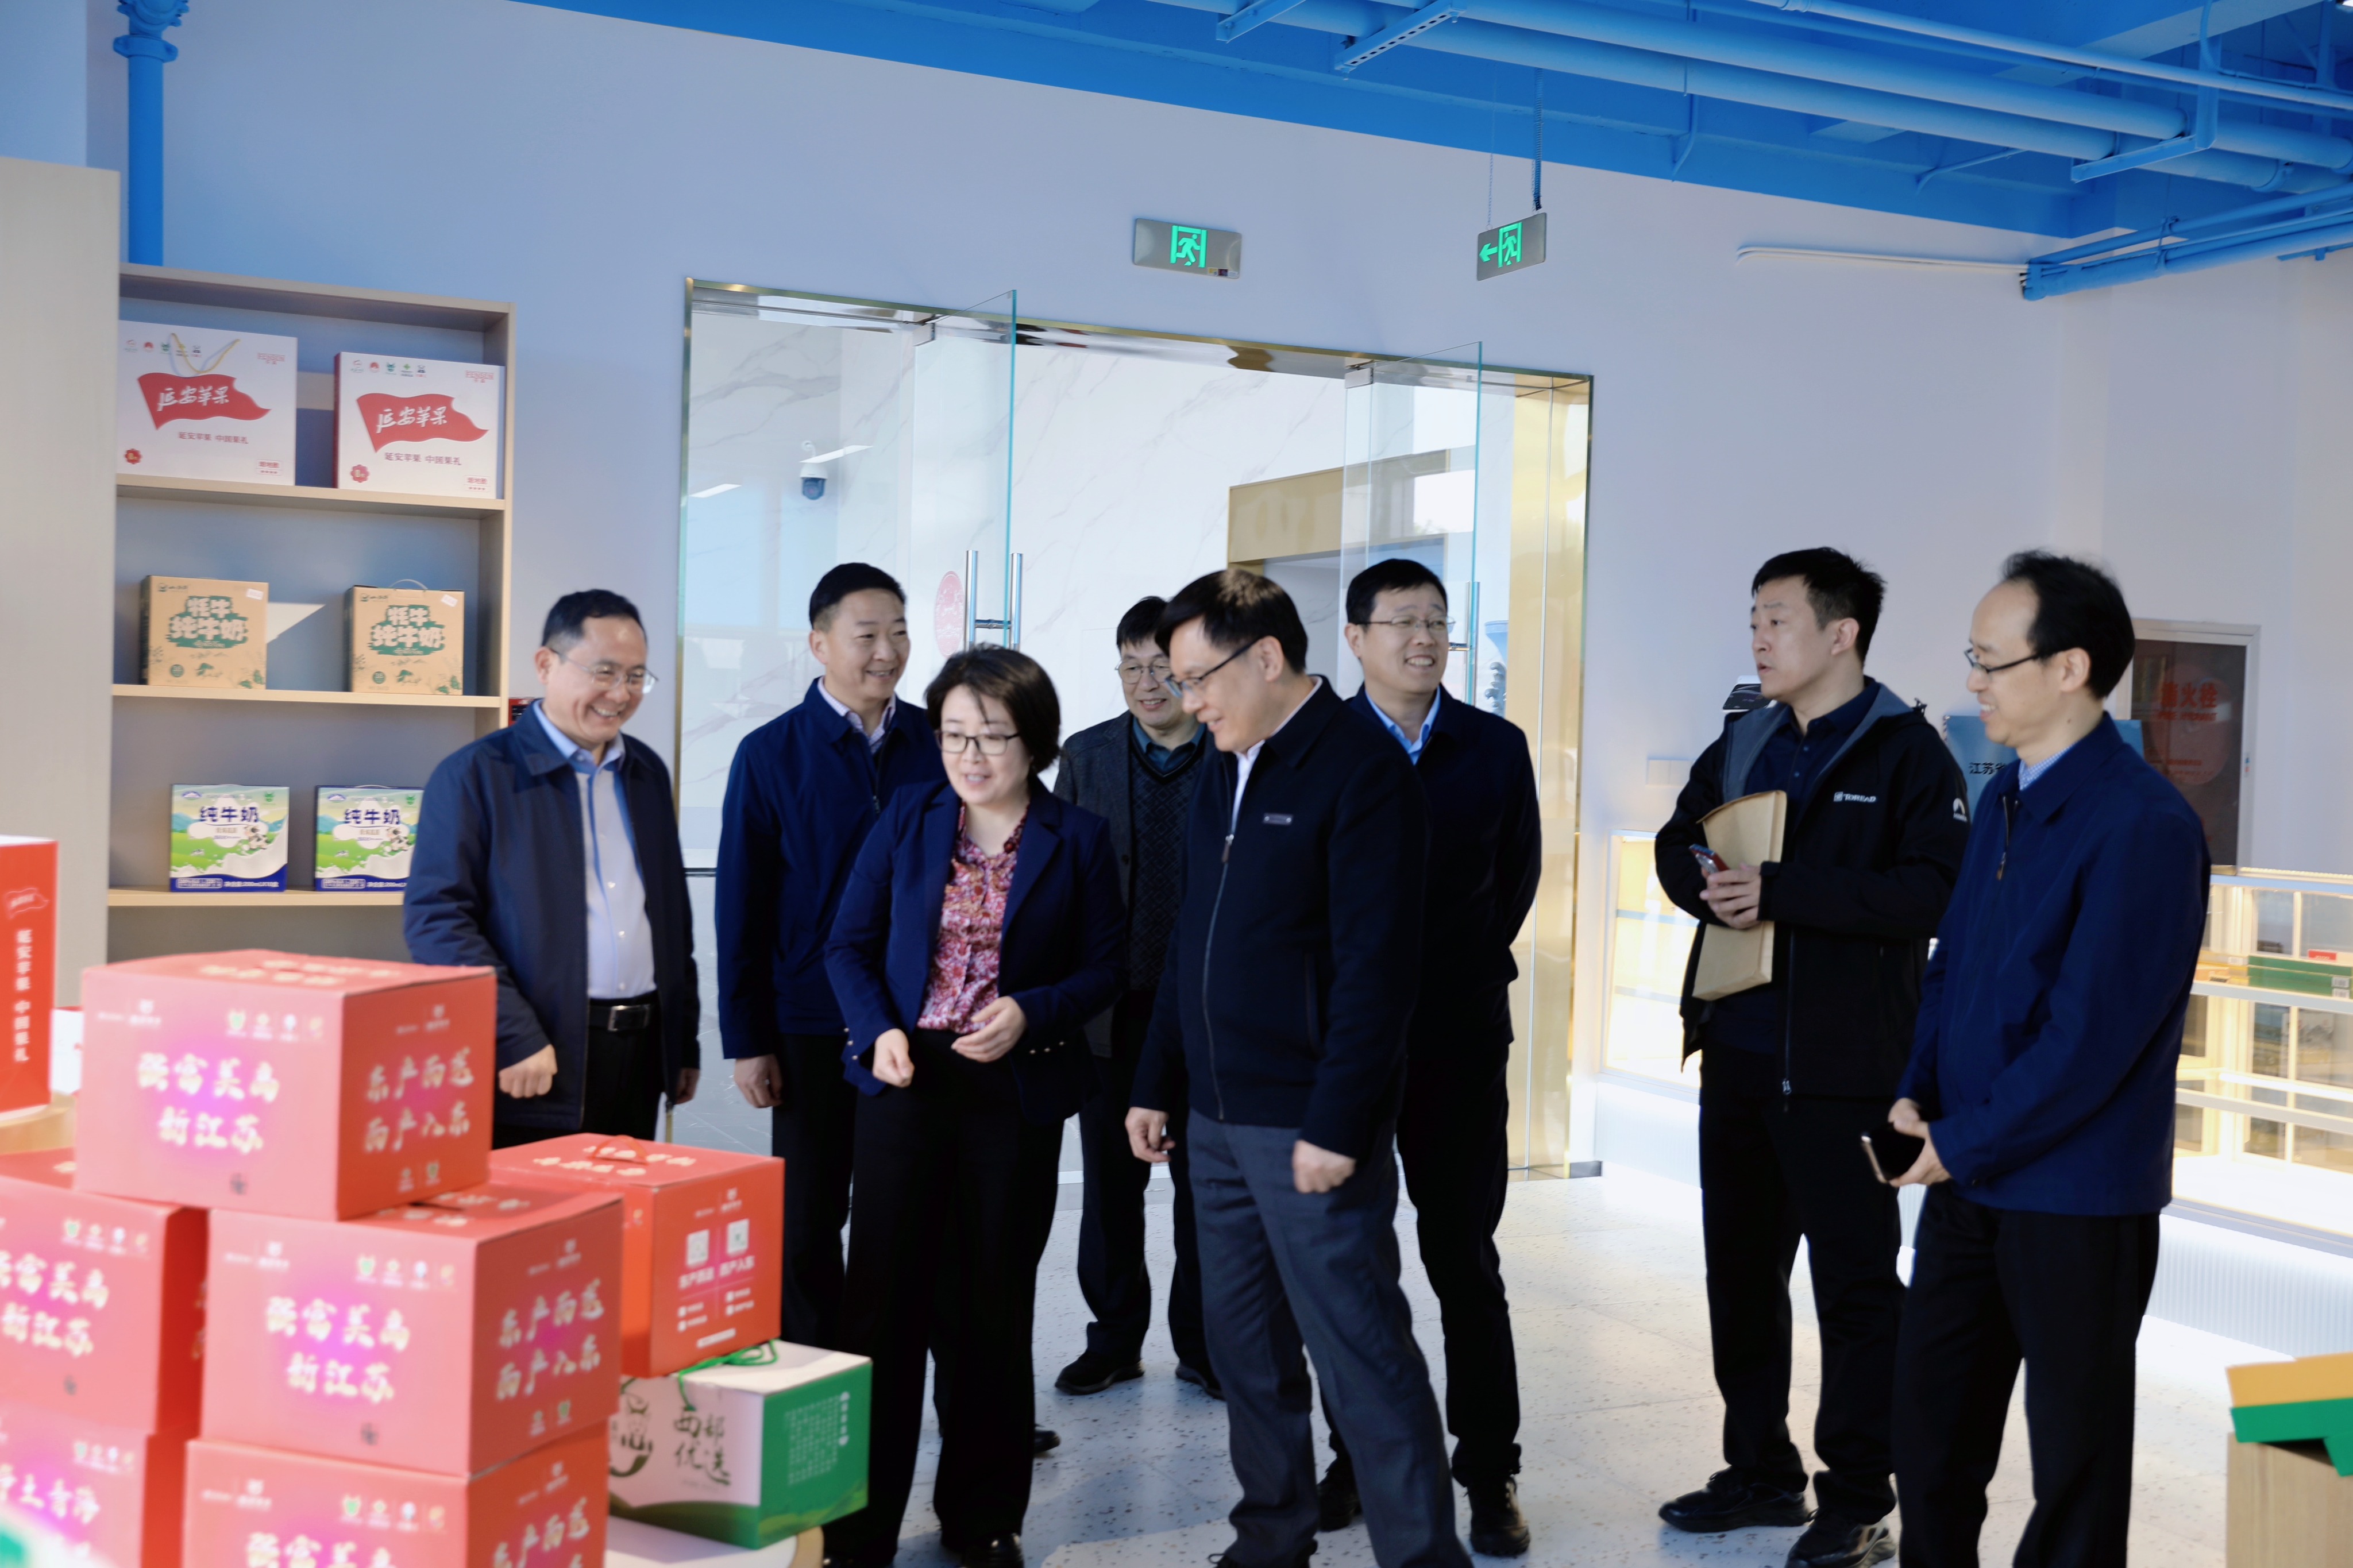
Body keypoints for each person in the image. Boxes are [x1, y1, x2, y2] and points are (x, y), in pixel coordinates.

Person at [1128, 569, 1467, 1568]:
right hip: (1216, 1120)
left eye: (1198, 678)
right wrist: (1156, 1079)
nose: (1187, 701)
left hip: (1306, 1124)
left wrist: (1336, 1121)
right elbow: (1191, 936)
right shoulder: (1223, 764)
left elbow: (1377, 971)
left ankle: (1423, 1557)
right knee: (1245, 1349)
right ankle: (1271, 1537)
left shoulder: (1362, 773)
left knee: (1361, 1355)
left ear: (1267, 657)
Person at [1889, 552, 2208, 1568]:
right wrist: (1917, 1094)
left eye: (1990, 661)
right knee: (1929, 1437)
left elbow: (2089, 1042)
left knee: (2074, 1465)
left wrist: (1960, 1141)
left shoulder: (2144, 824)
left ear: (2069, 668)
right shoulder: (2003, 799)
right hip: (1968, 1174)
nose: (1972, 681)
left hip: (2074, 1197)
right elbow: (1950, 966)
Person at [1653, 549, 1969, 1568]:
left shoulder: (1908, 753)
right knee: (1741, 1280)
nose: (1758, 637)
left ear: (1842, 634)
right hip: (1737, 1054)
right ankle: (1759, 1470)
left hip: (1847, 1071)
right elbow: (1677, 840)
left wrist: (1783, 891)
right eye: (1754, 618)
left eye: (1777, 619)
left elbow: (1935, 893)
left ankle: (1861, 1498)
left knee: (1857, 1291)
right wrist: (1707, 883)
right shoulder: (1745, 736)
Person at [824, 647, 1124, 1568]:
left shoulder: (1078, 836)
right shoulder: (909, 816)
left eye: (992, 736)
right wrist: (877, 1028)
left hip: (1011, 1089)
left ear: (1035, 740)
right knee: (881, 1308)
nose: (971, 755)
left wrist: (1034, 1008)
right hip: (906, 1081)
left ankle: (984, 1515)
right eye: (955, 734)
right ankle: (856, 1526)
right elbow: (847, 944)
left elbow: (1105, 968)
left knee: (990, 1304)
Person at [1311, 558, 1541, 1555]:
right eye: (1402, 620)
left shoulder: (1495, 747)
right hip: (1348, 1052)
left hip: (1457, 1039)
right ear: (1355, 637)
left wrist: (1451, 970)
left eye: (1437, 621)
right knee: (1350, 1266)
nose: (1423, 638)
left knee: (1464, 1259)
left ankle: (1488, 1469)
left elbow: (1514, 880)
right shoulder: (1316, 748)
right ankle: (1356, 1458)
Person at [715, 563, 943, 1349]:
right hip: (809, 1019)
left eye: (899, 633)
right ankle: (812, 1380)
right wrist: (748, 1039)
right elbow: (740, 907)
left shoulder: (937, 744)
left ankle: (885, 1378)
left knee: (901, 1211)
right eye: (867, 635)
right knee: (807, 1217)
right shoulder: (769, 753)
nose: (888, 651)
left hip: (913, 1018)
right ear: (819, 644)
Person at [406, 589, 700, 1145]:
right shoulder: (478, 774)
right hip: (536, 1055)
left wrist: (681, 1043)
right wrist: (512, 1033)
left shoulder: (646, 773)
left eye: (637, 676)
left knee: (627, 1200)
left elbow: (670, 918)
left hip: (641, 1056)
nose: (621, 694)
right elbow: (437, 921)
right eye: (604, 672)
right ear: (546, 665)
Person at [1049, 596, 1216, 1401]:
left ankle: (1204, 1345)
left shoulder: (1229, 750)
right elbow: (1057, 880)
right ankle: (1114, 1339)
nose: (1147, 685)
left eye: (1161, 668)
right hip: (1110, 1009)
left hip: (1204, 1011)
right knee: (1112, 1190)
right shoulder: (1085, 755)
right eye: (1131, 668)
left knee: (1202, 1190)